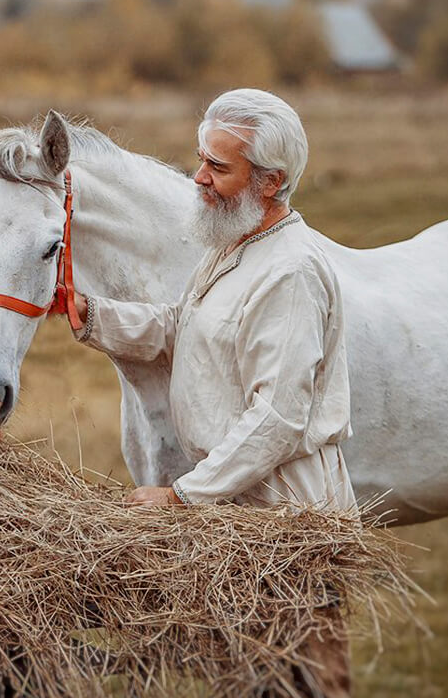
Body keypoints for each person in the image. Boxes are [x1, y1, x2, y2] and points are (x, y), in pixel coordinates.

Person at [69, 89, 355, 696]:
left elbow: (278, 416)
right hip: (234, 505)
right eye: (200, 159)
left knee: (306, 679)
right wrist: (92, 315)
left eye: (219, 168)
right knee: (242, 678)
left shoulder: (291, 273)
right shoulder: (231, 243)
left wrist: (180, 496)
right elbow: (182, 327)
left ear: (271, 182)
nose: (198, 178)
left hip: (288, 520)